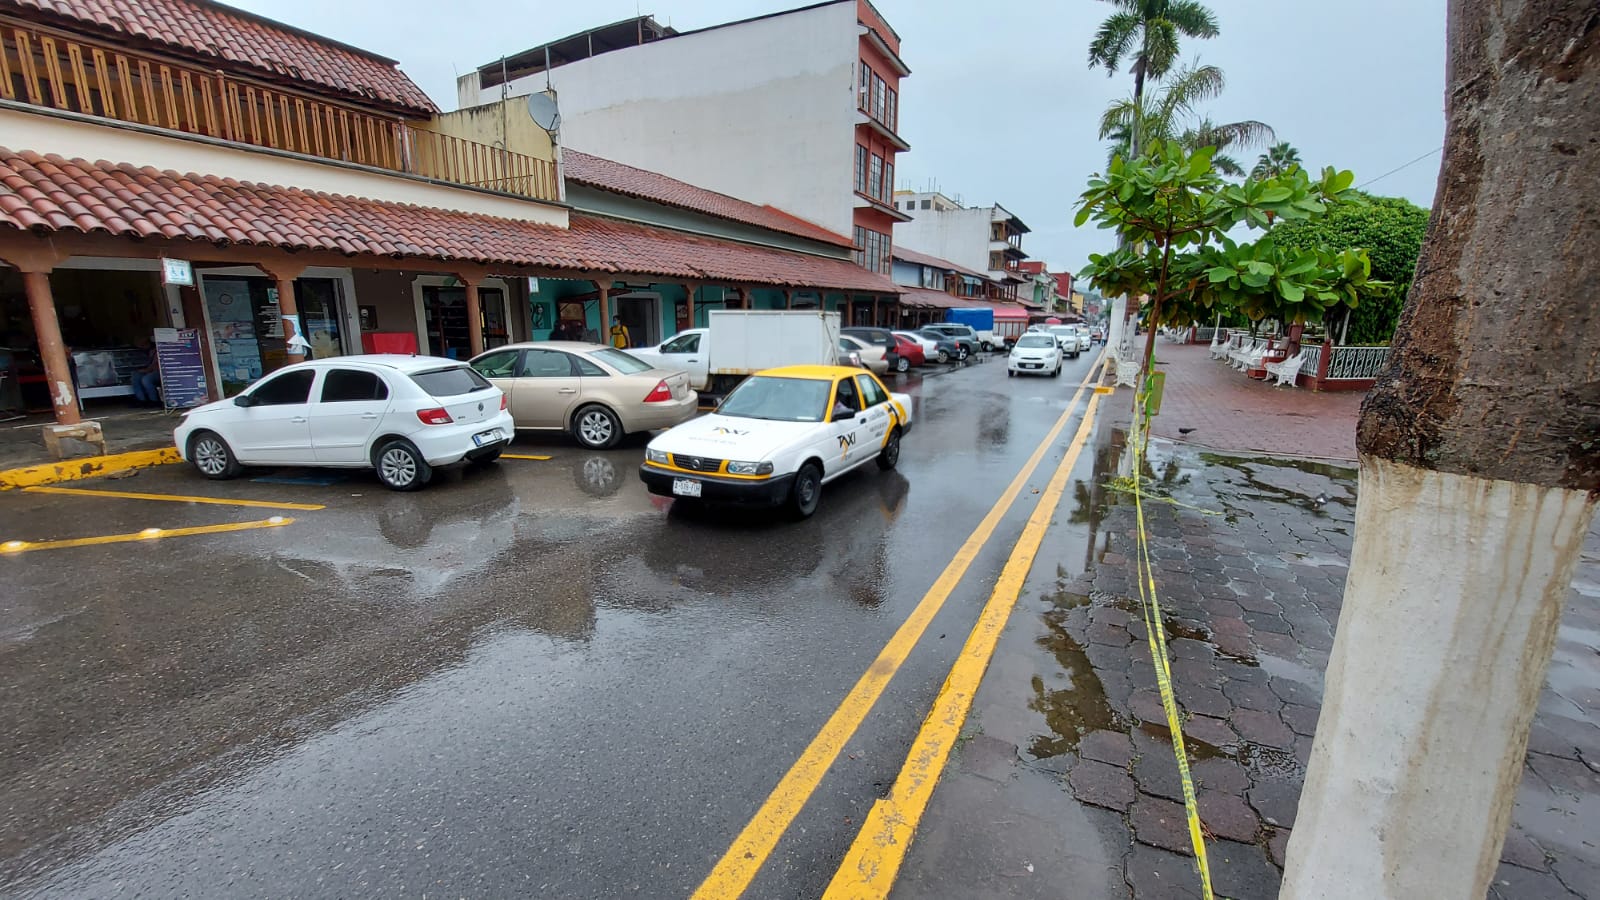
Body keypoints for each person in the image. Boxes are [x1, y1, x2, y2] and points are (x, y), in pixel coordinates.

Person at [131, 337, 161, 406]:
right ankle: (141, 400)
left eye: (143, 345)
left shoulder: (159, 350)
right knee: (135, 376)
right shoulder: (150, 351)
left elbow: (155, 366)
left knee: (146, 379)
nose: (142, 347)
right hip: (151, 371)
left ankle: (154, 400)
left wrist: (145, 370)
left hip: (160, 372)